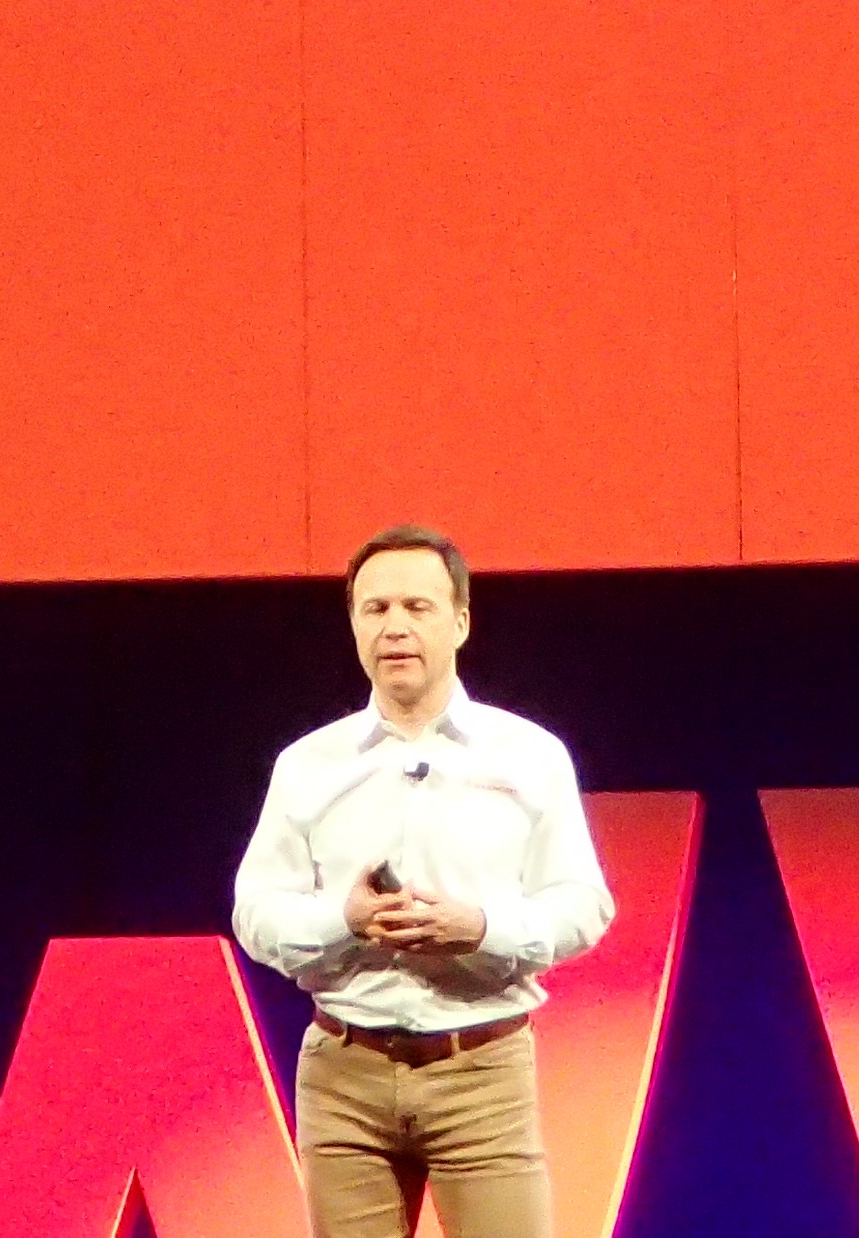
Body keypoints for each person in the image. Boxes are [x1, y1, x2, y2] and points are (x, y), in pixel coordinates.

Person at [233, 525, 614, 1238]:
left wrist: (482, 928)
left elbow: (583, 905)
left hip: (482, 1071)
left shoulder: (529, 755)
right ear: (354, 625)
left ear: (460, 622)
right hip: (344, 1075)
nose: (395, 627)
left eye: (417, 607)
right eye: (375, 609)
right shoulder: (308, 764)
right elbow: (255, 912)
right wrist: (343, 920)